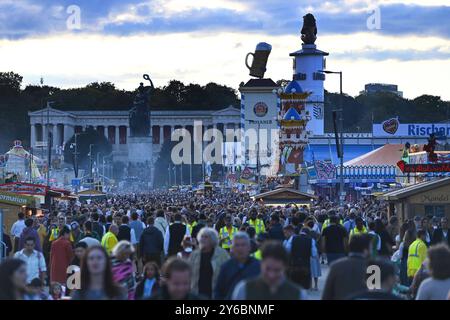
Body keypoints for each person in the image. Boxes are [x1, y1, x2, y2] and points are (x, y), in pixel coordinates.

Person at [231, 241, 307, 300]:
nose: (271, 275)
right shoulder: (243, 290)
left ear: (285, 267)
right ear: (261, 264)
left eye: (277, 270)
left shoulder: (299, 295)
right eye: (268, 269)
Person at [322, 234, 372, 300]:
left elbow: (326, 295)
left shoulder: (336, 266)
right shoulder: (372, 268)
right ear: (366, 250)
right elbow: (375, 295)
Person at [214, 232, 260, 300]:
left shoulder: (258, 266)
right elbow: (218, 291)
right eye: (237, 245)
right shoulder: (226, 267)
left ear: (249, 247)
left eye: (243, 245)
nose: (240, 248)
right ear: (232, 248)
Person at [189, 227, 229, 298]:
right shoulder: (194, 255)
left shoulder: (222, 254)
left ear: (213, 239)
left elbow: (228, 272)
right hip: (197, 293)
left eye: (206, 237)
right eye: (202, 237)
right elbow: (188, 273)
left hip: (216, 293)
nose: (203, 239)